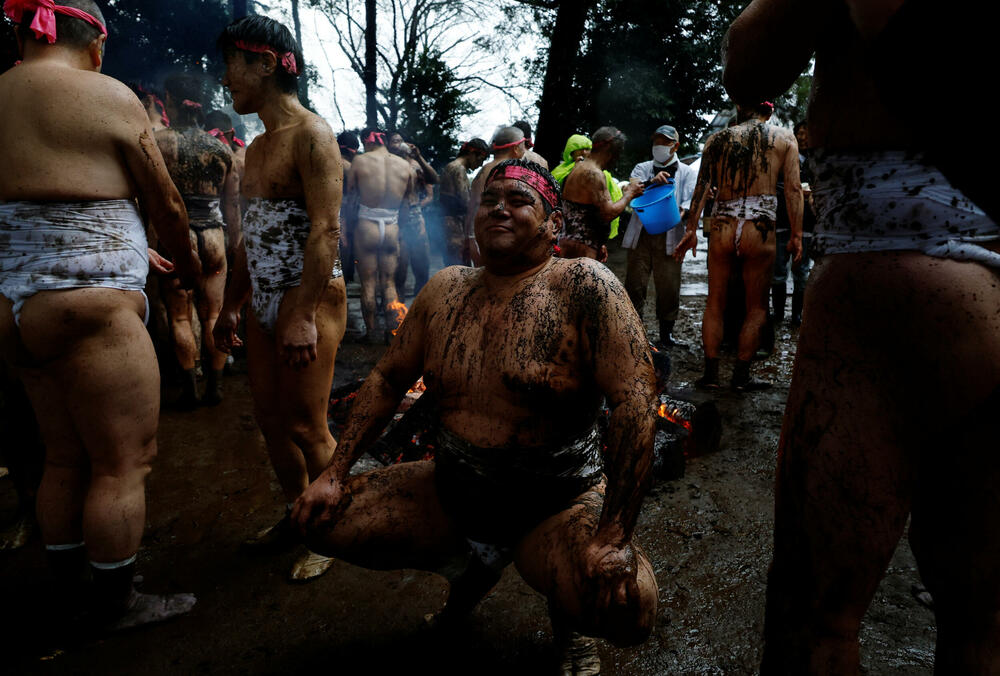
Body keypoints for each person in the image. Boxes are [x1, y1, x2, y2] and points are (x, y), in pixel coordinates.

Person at [293, 159, 658, 672]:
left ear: (553, 223)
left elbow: (637, 402)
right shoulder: (446, 289)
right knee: (319, 520)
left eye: (518, 200)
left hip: (554, 504)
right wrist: (335, 472)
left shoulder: (584, 284)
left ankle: (567, 619)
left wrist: (613, 534)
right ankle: (471, 565)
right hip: (454, 490)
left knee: (628, 607)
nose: (500, 209)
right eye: (490, 200)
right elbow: (386, 379)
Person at [725, 2, 1000, 673]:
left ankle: (726, 368)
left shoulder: (755, 138)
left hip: (893, 253)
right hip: (916, 248)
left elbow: (746, 65)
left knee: (814, 619)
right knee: (982, 614)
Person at [0, 0, 200, 628]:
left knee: (63, 457)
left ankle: (67, 589)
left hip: (12, 305)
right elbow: (166, 202)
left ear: (22, 32)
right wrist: (186, 265)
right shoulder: (106, 94)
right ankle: (118, 604)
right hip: (89, 303)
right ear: (96, 45)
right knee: (123, 462)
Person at [212, 15, 346, 582]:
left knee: (308, 426)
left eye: (233, 66)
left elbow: (326, 231)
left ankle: (333, 529)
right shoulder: (258, 146)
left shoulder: (313, 135)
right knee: (270, 421)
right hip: (264, 296)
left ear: (266, 63)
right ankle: (299, 515)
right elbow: (250, 238)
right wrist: (230, 305)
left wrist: (300, 315)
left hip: (309, 299)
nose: (225, 81)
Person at [674, 102, 802, 391]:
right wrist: (797, 234)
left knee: (715, 302)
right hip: (760, 224)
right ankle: (741, 377)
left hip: (723, 222)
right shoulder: (784, 138)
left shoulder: (717, 139)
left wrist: (692, 228)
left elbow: (702, 187)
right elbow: (793, 189)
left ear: (739, 110)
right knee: (756, 307)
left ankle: (711, 375)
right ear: (768, 113)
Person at [156, 75, 240, 407]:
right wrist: (234, 248)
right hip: (215, 238)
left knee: (180, 317)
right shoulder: (221, 148)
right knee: (214, 314)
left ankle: (190, 389)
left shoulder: (158, 142)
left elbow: (152, 203)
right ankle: (216, 388)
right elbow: (232, 208)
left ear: (169, 100)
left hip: (179, 238)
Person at [621, 125, 697, 349]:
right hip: (642, 234)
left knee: (669, 285)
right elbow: (631, 187)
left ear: (675, 146)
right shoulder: (642, 168)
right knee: (635, 283)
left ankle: (666, 334)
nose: (660, 146)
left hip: (670, 235)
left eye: (665, 142)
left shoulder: (688, 172)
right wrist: (651, 181)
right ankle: (633, 332)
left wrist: (677, 214)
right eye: (657, 141)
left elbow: (688, 202)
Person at [347, 129, 412, 340]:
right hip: (392, 226)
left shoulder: (360, 161)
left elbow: (349, 197)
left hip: (367, 224)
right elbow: (407, 206)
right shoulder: (405, 165)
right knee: (389, 282)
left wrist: (345, 230)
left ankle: (371, 333)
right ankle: (391, 332)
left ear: (367, 142)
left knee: (368, 283)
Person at [560, 126, 643, 262]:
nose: (617, 159)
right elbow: (607, 213)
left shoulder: (580, 165)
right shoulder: (594, 173)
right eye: (617, 153)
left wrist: (599, 243)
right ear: (609, 150)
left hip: (573, 245)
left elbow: (586, 212)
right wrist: (629, 194)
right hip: (579, 251)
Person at [770, 120, 813, 328]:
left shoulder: (817, 162)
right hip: (782, 221)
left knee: (802, 272)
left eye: (806, 134)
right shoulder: (784, 159)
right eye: (800, 134)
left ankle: (797, 315)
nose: (803, 138)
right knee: (778, 271)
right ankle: (778, 313)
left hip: (807, 224)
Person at [464, 127, 528, 263]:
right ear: (516, 148)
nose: (525, 150)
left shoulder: (484, 169)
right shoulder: (509, 170)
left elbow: (473, 204)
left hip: (478, 233)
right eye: (524, 146)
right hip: (494, 235)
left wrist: (468, 235)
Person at [388, 132, 436, 298]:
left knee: (422, 264)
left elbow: (434, 179)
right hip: (394, 217)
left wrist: (419, 157)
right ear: (388, 145)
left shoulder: (414, 162)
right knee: (399, 268)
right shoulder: (387, 163)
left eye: (401, 140)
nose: (399, 143)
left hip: (415, 216)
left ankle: (421, 303)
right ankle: (396, 310)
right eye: (395, 141)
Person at [438, 137, 487, 266]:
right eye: (480, 159)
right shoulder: (458, 168)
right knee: (457, 265)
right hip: (452, 223)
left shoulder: (454, 167)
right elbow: (466, 200)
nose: (480, 164)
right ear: (471, 154)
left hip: (450, 221)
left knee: (455, 263)